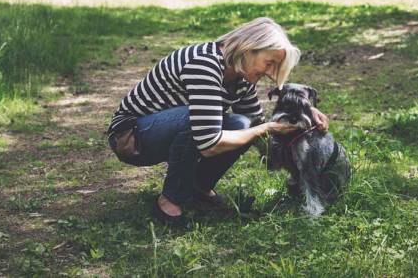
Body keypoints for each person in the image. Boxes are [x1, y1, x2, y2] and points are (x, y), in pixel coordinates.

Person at [106, 17, 329, 226]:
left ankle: (198, 188)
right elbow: (209, 143)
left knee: (244, 124)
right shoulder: (205, 64)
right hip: (132, 138)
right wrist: (266, 127)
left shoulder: (241, 77)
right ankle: (170, 201)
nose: (271, 74)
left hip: (168, 130)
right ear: (249, 49)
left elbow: (257, 124)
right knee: (197, 121)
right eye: (269, 64)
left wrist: (304, 113)